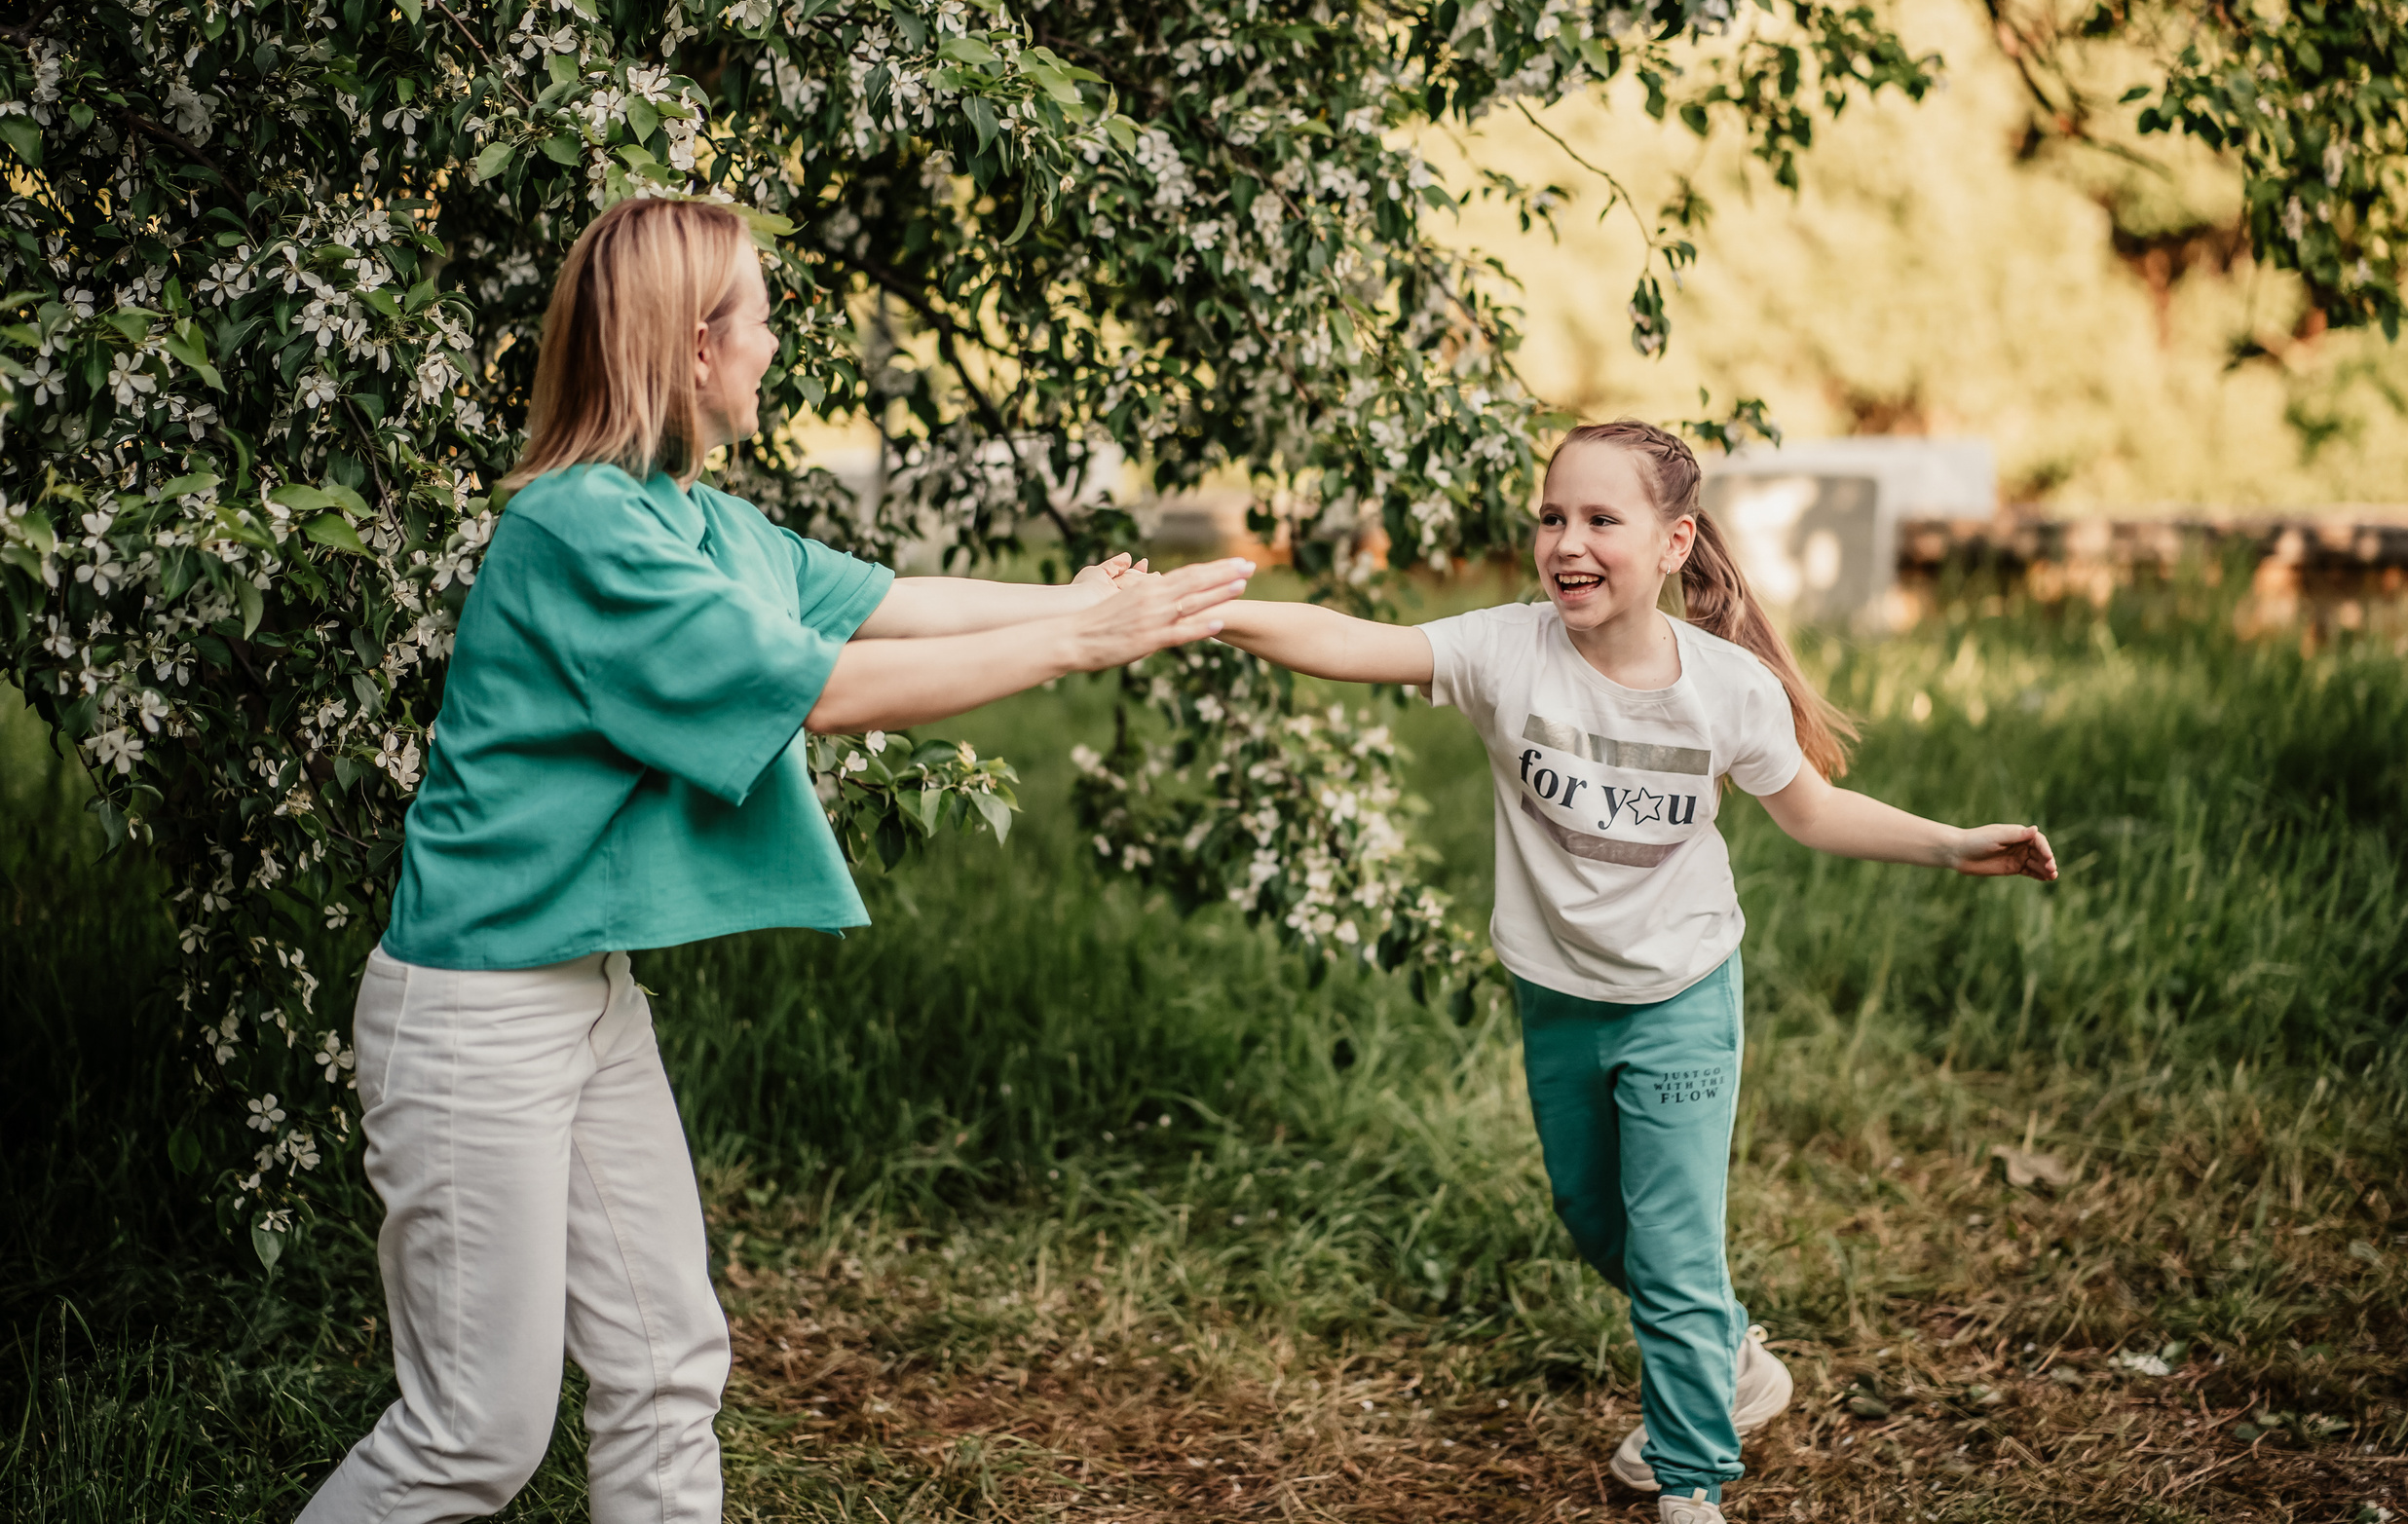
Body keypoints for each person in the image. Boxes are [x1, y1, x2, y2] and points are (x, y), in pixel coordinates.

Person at [299, 195, 1251, 1523]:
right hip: (476, 1016)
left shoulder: (686, 515)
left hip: (581, 993)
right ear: (696, 343)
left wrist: (1092, 604)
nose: (774, 341)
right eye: (759, 316)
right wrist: (1082, 646)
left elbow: (884, 597)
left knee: (664, 1357)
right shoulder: (581, 531)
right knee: (472, 1434)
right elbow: (823, 684)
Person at [1214, 420, 2056, 1524]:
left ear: (1672, 543)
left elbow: (1810, 809)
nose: (1568, 541)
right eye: (1551, 517)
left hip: (1680, 997)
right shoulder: (1503, 651)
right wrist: (1208, 612)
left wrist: (1949, 843)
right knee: (1594, 1222)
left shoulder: (1726, 689)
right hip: (1557, 996)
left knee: (1668, 1250)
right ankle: (1734, 1358)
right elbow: (1344, 637)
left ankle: (1690, 1479)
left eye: (1601, 519)